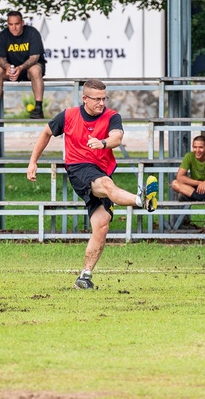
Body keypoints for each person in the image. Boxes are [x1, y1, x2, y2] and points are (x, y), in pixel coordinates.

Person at [26, 79, 158, 290]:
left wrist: (103, 142)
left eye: (104, 98)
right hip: (79, 168)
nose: (101, 102)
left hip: (101, 168)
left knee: (102, 224)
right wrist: (33, 162)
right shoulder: (68, 115)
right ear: (84, 98)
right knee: (106, 185)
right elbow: (46, 133)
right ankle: (142, 200)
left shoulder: (112, 116)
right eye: (96, 99)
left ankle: (84, 277)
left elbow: (117, 137)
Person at [0, 10, 46, 120]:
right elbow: (0, 57)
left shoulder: (32, 33)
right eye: (11, 24)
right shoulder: (4, 35)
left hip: (28, 68)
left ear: (22, 23)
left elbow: (35, 57)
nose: (14, 27)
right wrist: (7, 67)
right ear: (7, 24)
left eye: (17, 24)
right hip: (12, 69)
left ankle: (38, 108)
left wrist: (21, 67)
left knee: (35, 70)